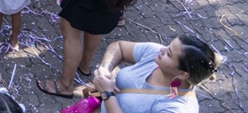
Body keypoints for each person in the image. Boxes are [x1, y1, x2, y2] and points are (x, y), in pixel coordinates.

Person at [90, 36, 222, 113]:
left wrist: (107, 94)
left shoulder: (177, 108)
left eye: (169, 54)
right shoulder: (156, 55)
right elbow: (118, 46)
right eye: (168, 46)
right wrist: (105, 70)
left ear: (183, 74)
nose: (162, 49)